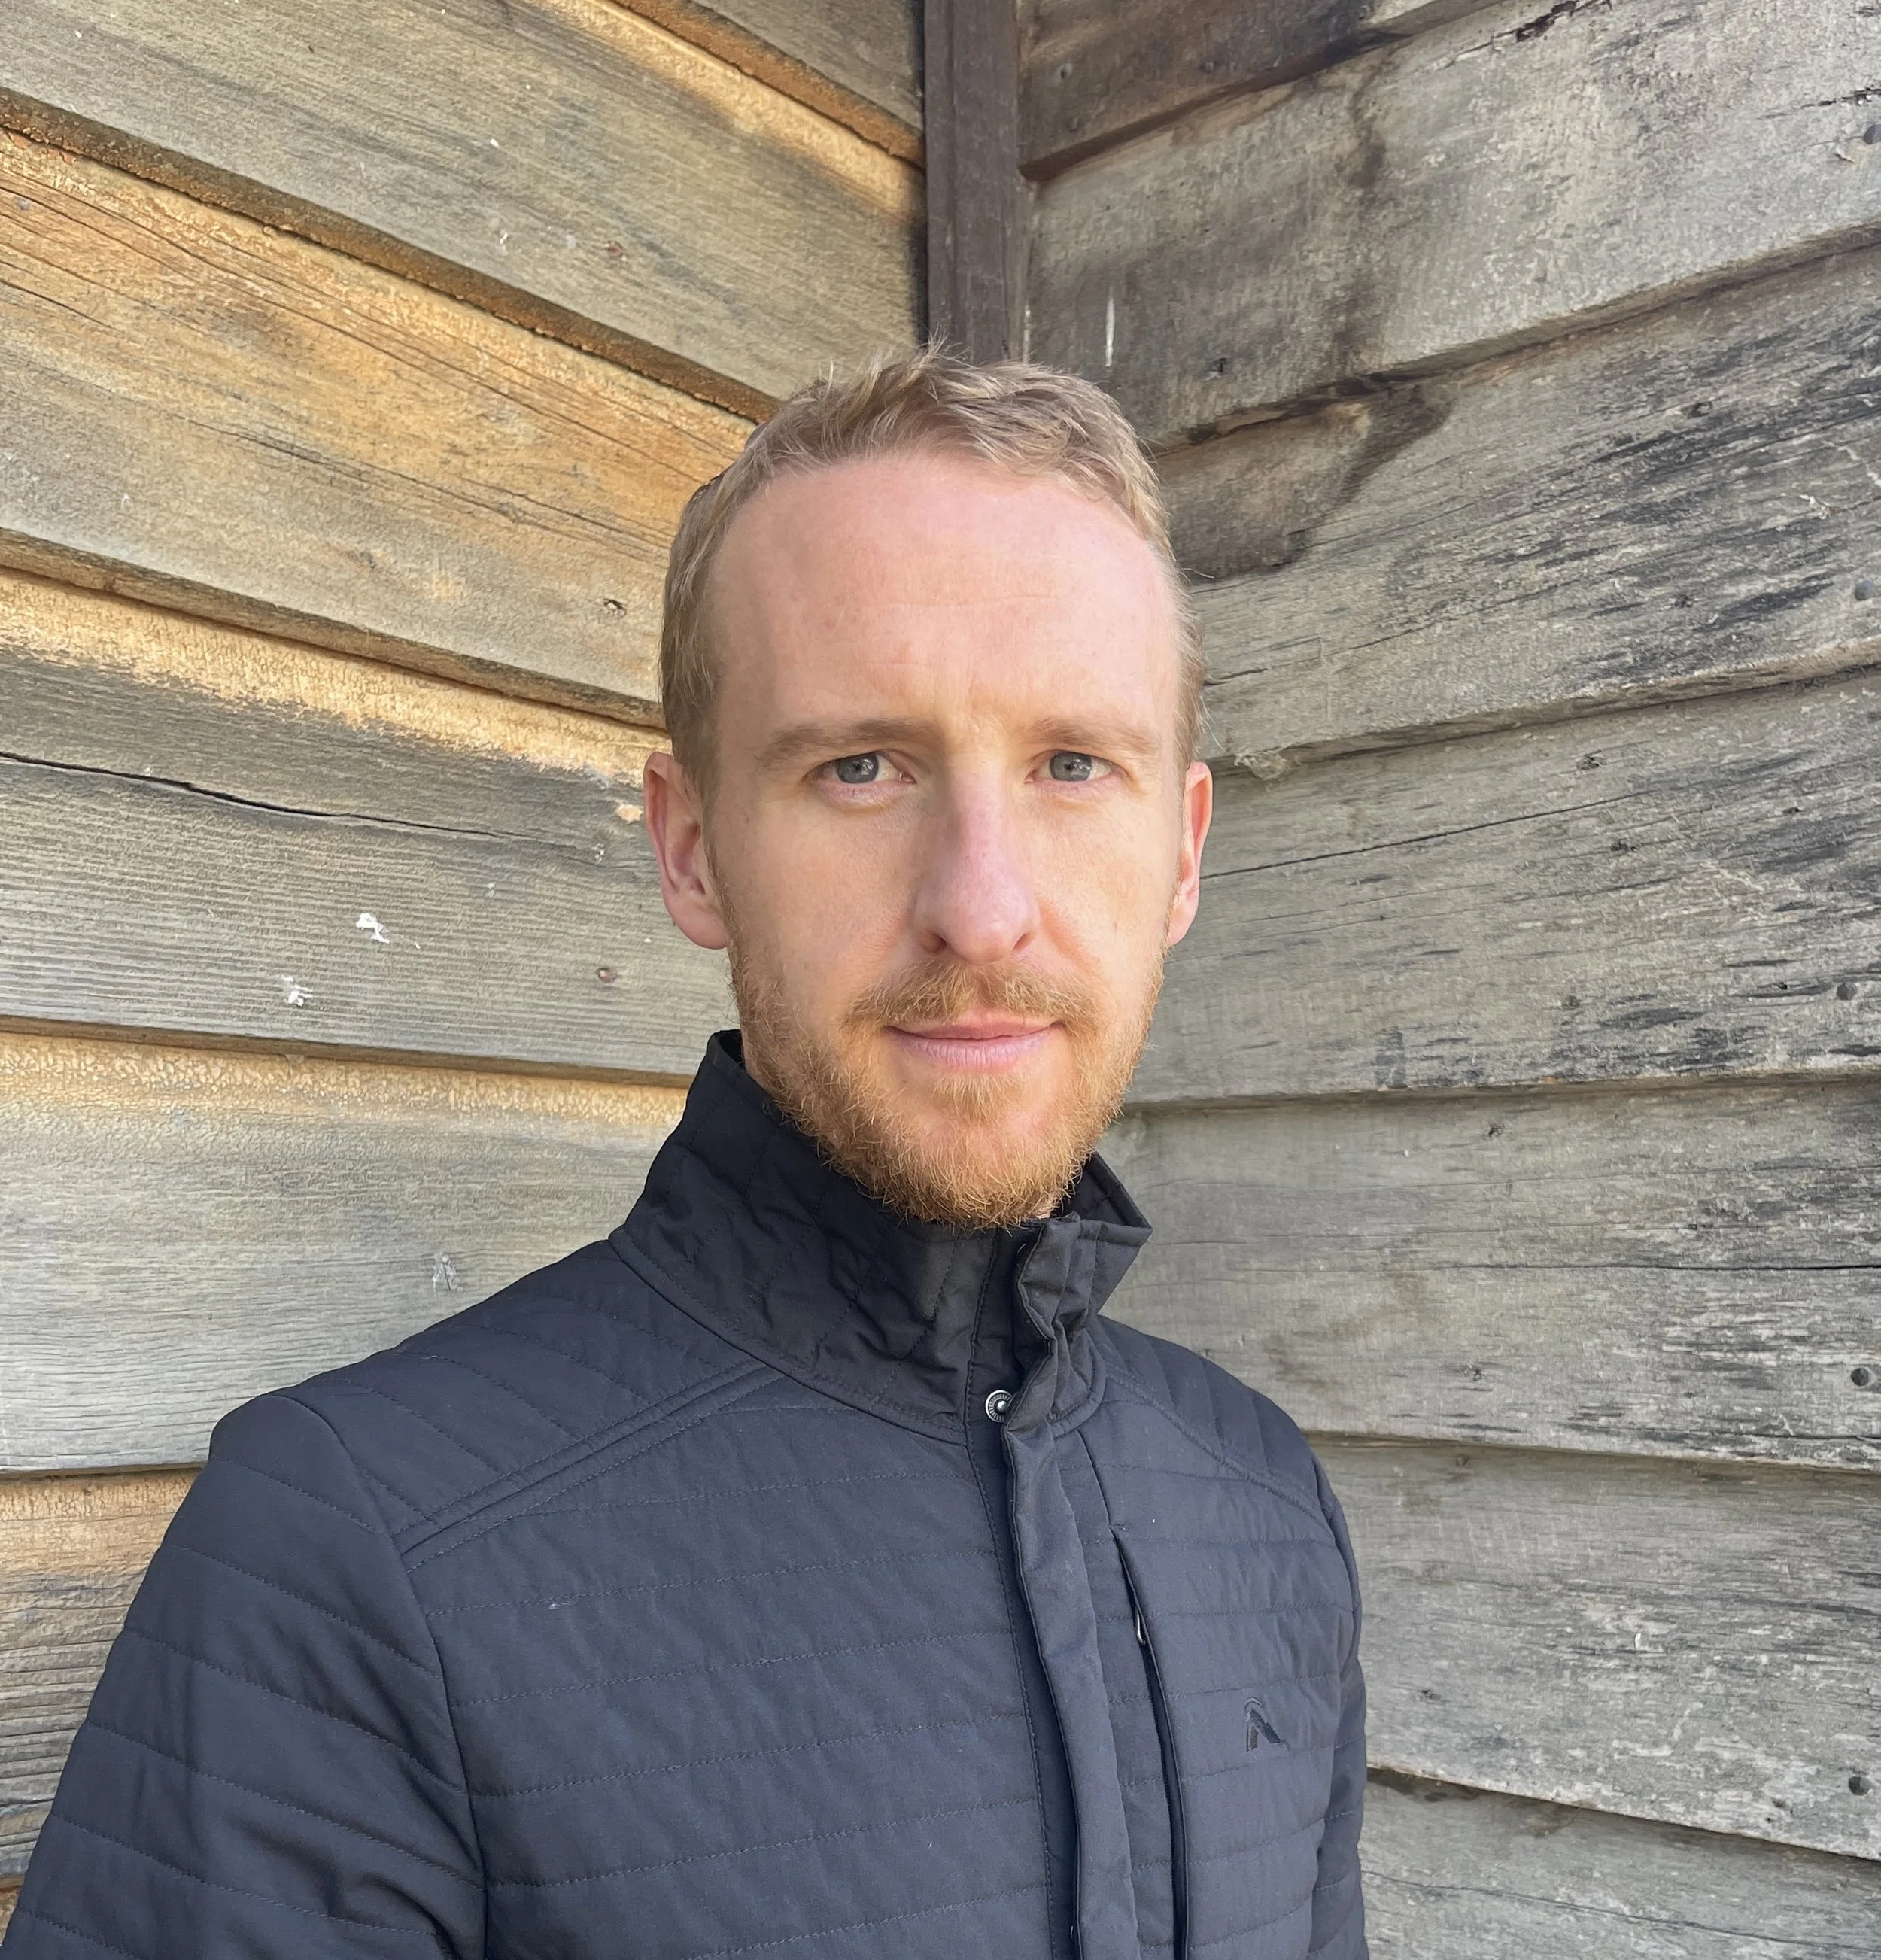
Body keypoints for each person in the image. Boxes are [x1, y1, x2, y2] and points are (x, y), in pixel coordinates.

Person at [4, 349, 1366, 1959]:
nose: (981, 905)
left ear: (1183, 852)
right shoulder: (346, 1555)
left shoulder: (1260, 1499)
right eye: (859, 766)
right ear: (692, 846)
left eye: (1073, 765)